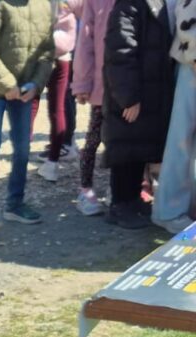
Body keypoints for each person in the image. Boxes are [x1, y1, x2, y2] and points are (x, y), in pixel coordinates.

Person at [0, 0, 54, 233]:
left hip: (24, 91)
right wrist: (7, 84)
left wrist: (36, 84)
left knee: (23, 149)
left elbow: (47, 53)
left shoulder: (44, 6)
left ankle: (15, 203)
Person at [101, 0, 175, 229]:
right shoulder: (129, 3)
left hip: (151, 91)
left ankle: (133, 200)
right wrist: (128, 97)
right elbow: (120, 49)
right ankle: (120, 205)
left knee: (138, 147)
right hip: (133, 93)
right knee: (125, 149)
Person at [151, 0, 196, 234]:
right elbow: (187, 14)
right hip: (192, 66)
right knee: (181, 141)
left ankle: (186, 207)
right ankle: (168, 211)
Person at [71, 0, 113, 215]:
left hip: (130, 87)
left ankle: (120, 186)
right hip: (101, 87)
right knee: (94, 139)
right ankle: (85, 188)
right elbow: (85, 44)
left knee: (123, 141)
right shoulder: (94, 2)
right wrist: (82, 84)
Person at [35, 0, 78, 183]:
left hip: (37, 50)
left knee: (30, 105)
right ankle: (53, 162)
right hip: (63, 52)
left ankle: (20, 160)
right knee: (58, 108)